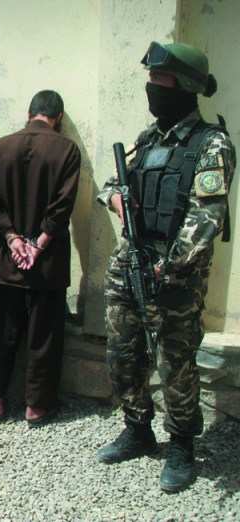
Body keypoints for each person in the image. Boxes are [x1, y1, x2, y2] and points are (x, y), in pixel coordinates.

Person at [96, 42, 235, 493]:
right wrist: (116, 198)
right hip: (128, 267)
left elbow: (206, 218)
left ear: (188, 87)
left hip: (176, 277)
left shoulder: (211, 144)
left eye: (161, 81)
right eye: (151, 79)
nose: (151, 88)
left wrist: (167, 268)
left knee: (176, 365)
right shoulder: (147, 139)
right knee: (123, 356)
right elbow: (112, 183)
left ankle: (181, 445)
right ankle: (137, 429)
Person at [0, 90, 80, 427]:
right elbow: (64, 204)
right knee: (44, 335)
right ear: (58, 117)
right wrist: (40, 242)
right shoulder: (67, 150)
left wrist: (11, 236)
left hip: (8, 257)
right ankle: (36, 405)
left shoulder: (1, 147)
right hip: (46, 262)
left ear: (29, 112)